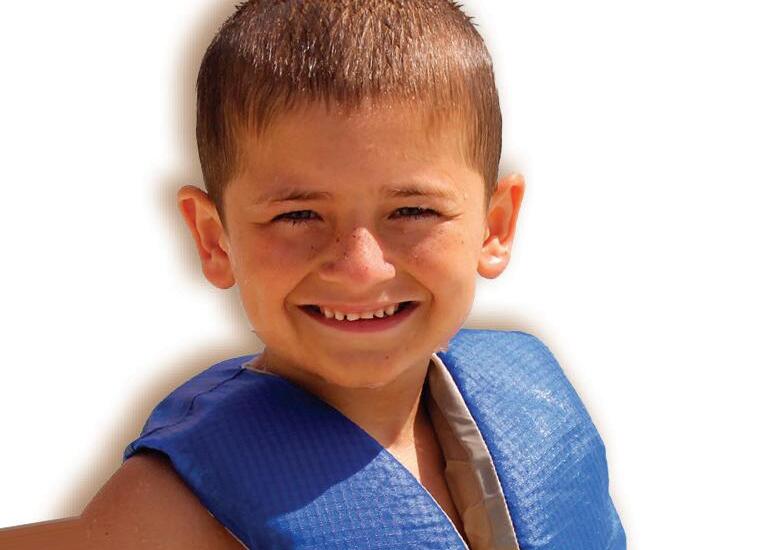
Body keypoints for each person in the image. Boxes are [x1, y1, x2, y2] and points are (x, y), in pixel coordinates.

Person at [0, 1, 623, 548]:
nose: (360, 268)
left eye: (412, 211)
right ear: (214, 240)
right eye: (297, 216)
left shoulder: (538, 416)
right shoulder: (168, 515)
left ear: (495, 226)